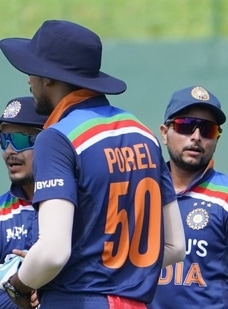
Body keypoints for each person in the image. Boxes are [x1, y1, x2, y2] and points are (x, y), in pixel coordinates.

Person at [0, 20, 185, 308]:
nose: (28, 80)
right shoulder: (143, 134)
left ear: (49, 77)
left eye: (31, 70)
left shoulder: (57, 137)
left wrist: (19, 284)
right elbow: (175, 247)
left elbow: (51, 253)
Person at [148, 85, 228, 309]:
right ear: (164, 132)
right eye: (185, 126)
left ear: (217, 138)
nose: (196, 137)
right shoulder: (143, 193)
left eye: (207, 130)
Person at [0, 97, 48, 309]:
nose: (9, 151)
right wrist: (19, 294)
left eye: (19, 139)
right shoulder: (2, 213)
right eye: (4, 140)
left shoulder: (80, 205)